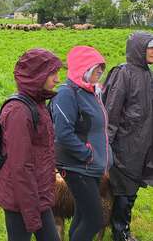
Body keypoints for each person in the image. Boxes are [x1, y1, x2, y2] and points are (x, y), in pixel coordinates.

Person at [0, 48, 62, 241]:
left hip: (37, 194)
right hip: (20, 199)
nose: (57, 79)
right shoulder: (19, 111)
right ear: (37, 75)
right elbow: (20, 167)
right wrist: (31, 215)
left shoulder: (37, 104)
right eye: (53, 73)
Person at [50, 46, 113, 241]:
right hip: (77, 166)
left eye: (101, 68)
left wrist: (106, 155)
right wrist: (88, 154)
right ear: (82, 69)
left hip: (93, 167)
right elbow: (63, 133)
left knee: (83, 215)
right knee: (94, 220)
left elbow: (98, 128)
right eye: (96, 68)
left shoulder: (92, 92)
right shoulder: (67, 94)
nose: (100, 72)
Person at [103, 31, 153, 241]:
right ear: (138, 49)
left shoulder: (146, 72)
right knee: (124, 188)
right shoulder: (123, 73)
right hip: (125, 145)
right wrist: (106, 147)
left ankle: (120, 228)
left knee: (132, 189)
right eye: (150, 47)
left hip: (142, 142)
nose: (152, 51)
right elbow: (111, 112)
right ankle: (120, 232)